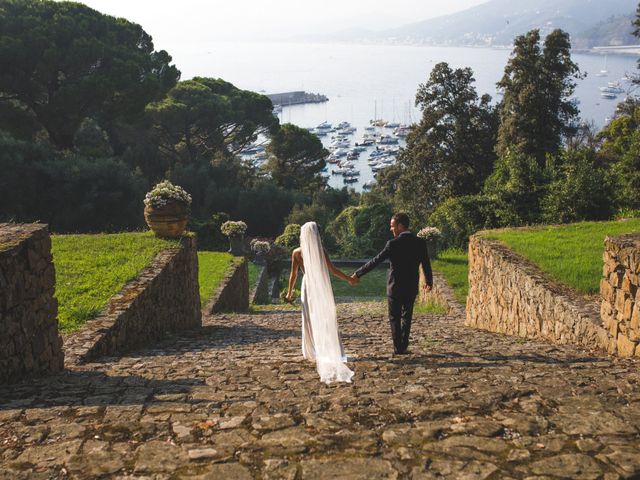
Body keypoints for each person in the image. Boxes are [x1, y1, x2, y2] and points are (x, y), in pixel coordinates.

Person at [285, 222, 357, 384]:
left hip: (307, 285)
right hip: (320, 284)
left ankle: (311, 350)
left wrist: (290, 293)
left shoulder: (296, 253)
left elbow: (294, 274)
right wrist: (349, 279)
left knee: (309, 317)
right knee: (325, 316)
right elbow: (333, 270)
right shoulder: (321, 251)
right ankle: (331, 349)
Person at [351, 213, 432, 355]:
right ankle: (404, 345)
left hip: (394, 287)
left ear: (400, 226)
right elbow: (426, 263)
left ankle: (398, 348)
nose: (391, 229)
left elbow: (375, 261)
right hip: (411, 285)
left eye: (392, 226)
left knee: (394, 317)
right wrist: (429, 281)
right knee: (407, 315)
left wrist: (358, 274)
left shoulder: (393, 244)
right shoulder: (419, 243)